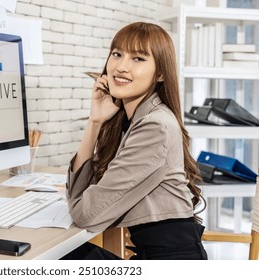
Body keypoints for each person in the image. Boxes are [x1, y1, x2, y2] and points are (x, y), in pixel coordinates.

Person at [61, 22, 208, 260]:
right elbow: (82, 196)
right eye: (117, 54)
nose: (121, 67)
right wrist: (95, 121)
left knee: (54, 258)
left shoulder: (154, 126)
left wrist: (81, 204)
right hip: (153, 256)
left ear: (160, 73)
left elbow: (85, 214)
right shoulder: (134, 121)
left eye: (138, 59)